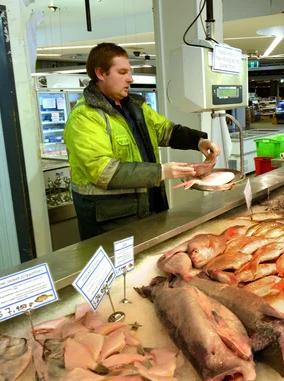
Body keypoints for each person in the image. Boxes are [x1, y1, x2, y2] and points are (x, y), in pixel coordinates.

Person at [64, 43, 221, 240]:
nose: (130, 79)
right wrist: (162, 171)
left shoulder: (135, 106)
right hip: (109, 219)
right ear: (100, 73)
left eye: (129, 72)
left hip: (146, 206)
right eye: (122, 72)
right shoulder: (84, 117)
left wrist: (198, 142)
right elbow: (104, 172)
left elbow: (166, 130)